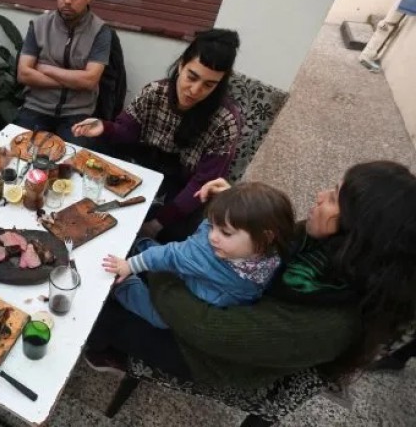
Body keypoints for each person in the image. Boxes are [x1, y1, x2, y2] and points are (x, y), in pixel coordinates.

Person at [86, 161, 416, 392]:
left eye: (334, 199)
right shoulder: (322, 246)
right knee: (187, 224)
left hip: (208, 353)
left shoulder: (330, 325)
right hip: (222, 298)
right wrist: (238, 206)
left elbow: (204, 326)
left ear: (357, 236)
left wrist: (168, 263)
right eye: (332, 188)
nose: (320, 196)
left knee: (101, 305)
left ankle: (104, 348)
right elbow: (267, 241)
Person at [72, 29, 242, 243]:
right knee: (89, 144)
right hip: (143, 165)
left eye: (209, 84)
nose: (195, 90)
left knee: (166, 232)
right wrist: (105, 127)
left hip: (181, 187)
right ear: (181, 64)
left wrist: (159, 222)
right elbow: (127, 132)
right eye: (192, 76)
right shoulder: (156, 92)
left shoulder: (225, 121)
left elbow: (202, 183)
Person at [103, 182, 294, 329]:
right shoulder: (206, 253)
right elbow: (169, 255)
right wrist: (129, 266)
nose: (213, 236)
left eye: (225, 232)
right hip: (191, 275)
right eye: (213, 226)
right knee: (160, 318)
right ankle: (123, 287)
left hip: (199, 281)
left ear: (267, 237)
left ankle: (140, 244)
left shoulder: (271, 249)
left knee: (172, 254)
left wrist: (230, 198)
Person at [14, 0, 112, 147]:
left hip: (78, 114)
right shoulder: (39, 25)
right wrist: (75, 80)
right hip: (36, 108)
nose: (67, 1)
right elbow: (23, 73)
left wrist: (45, 69)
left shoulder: (100, 32)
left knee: (73, 165)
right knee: (18, 156)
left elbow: (89, 81)